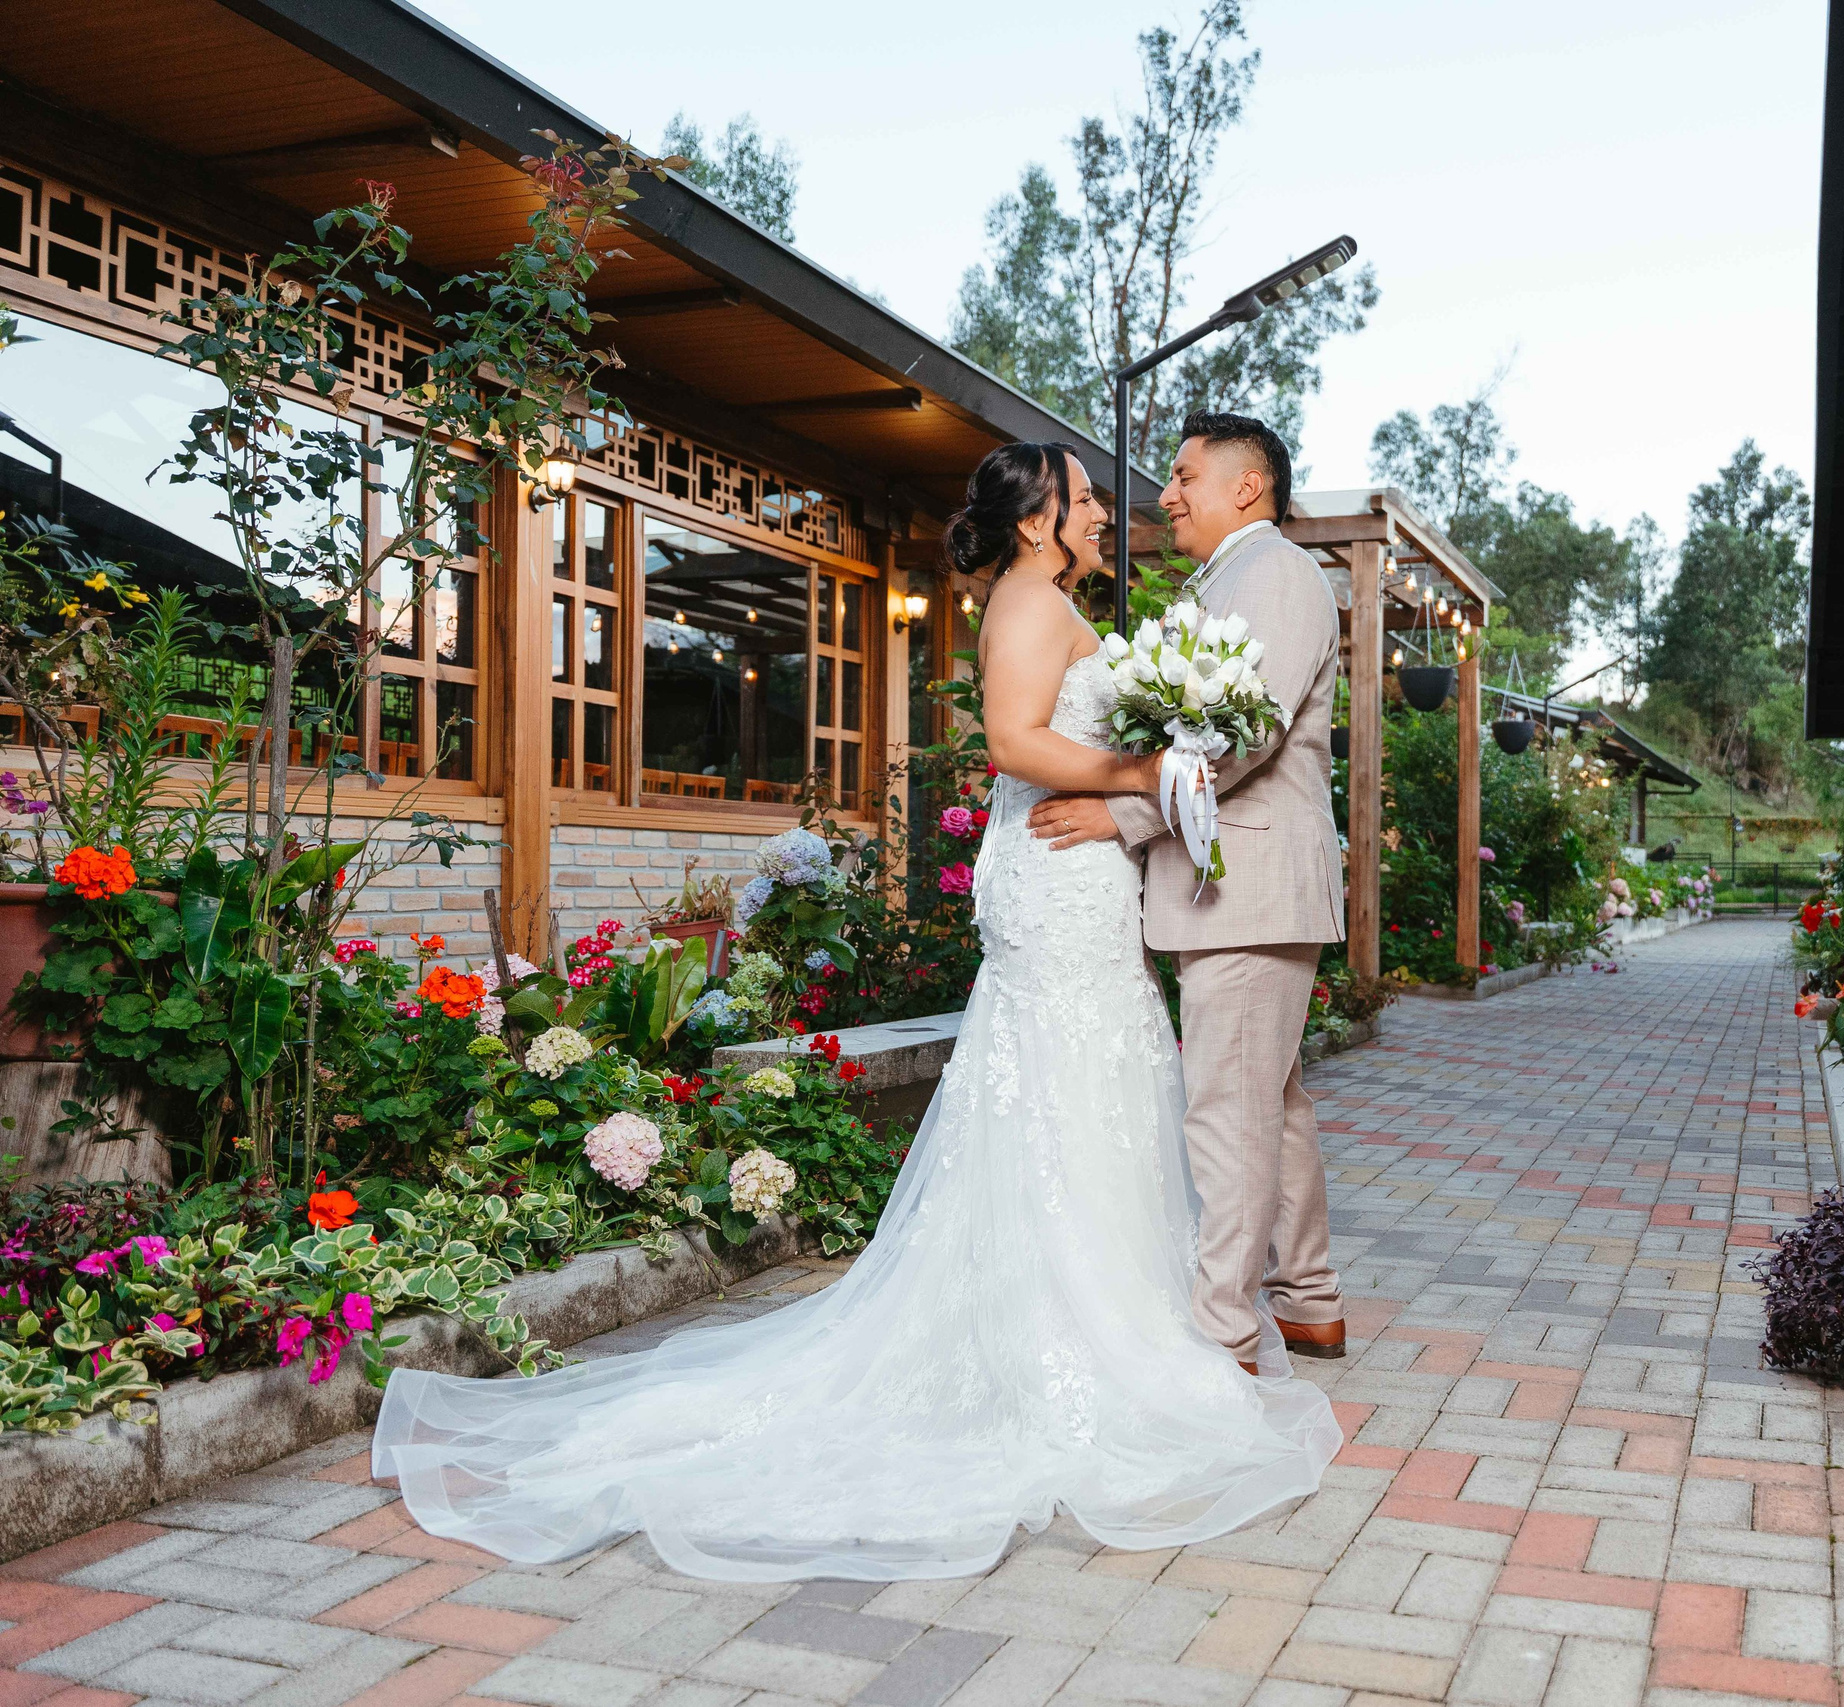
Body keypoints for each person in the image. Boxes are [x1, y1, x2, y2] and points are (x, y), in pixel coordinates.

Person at [368, 441, 1340, 1582]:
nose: (1110, 510)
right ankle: (1113, 1328)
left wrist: (1136, 785)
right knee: (1099, 1092)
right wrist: (1137, 782)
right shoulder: (1033, 604)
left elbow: (1207, 738)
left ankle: (1159, 1309)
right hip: (1062, 881)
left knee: (1122, 1095)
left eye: (1135, 488)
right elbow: (1017, 744)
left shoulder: (1161, 587)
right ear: (1035, 521)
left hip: (1092, 883)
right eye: (1081, 498)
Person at [1028, 410, 1348, 1372]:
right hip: (1234, 887)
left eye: (1182, 475)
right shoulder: (1231, 578)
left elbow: (1238, 737)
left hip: (1248, 885)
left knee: (1227, 1111)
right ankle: (1310, 1300)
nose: (1163, 495)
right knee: (1269, 1103)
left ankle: (1223, 1334)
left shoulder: (1278, 576)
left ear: (1246, 487)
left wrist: (1117, 815)